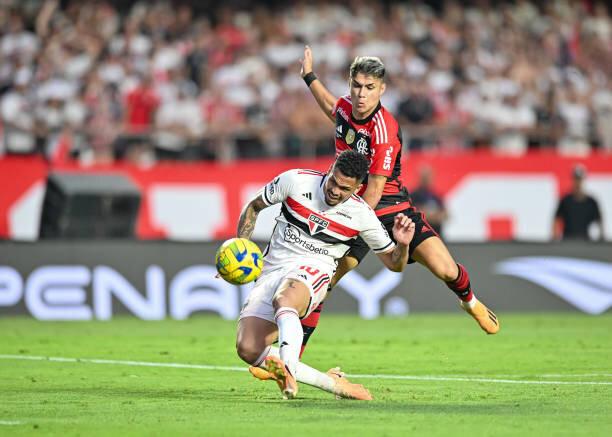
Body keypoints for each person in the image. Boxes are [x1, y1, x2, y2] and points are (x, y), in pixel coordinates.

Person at [297, 46, 499, 350]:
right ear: (350, 84)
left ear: (382, 89)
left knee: (445, 269)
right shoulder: (344, 109)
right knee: (321, 284)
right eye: (356, 86)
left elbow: (376, 189)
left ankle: (471, 303)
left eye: (369, 88)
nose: (361, 94)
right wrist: (309, 76)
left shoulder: (384, 129)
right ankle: (289, 358)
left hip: (391, 208)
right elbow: (330, 106)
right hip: (350, 207)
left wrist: (343, 224)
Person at [235, 150, 416, 400]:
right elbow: (255, 206)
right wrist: (239, 246)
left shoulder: (362, 214)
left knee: (285, 299)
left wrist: (403, 245)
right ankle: (333, 384)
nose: (335, 191)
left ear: (357, 188)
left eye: (344, 188)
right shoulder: (295, 181)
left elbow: (395, 265)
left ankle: (287, 369)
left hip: (314, 270)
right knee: (248, 348)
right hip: (272, 269)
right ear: (330, 169)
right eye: (333, 181)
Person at [553, 164, 604, 240]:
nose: (577, 182)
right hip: (567, 242)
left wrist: (601, 238)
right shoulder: (566, 201)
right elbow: (556, 220)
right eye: (575, 179)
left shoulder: (591, 202)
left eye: (579, 179)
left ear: (583, 180)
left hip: (585, 242)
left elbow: (599, 221)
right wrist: (555, 238)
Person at [410, 165, 448, 236]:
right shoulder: (414, 195)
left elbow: (446, 214)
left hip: (437, 234)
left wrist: (434, 216)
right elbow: (415, 214)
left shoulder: (436, 195)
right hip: (421, 235)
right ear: (420, 178)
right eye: (425, 177)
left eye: (429, 176)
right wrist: (432, 216)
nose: (427, 179)